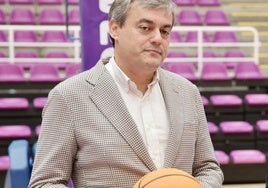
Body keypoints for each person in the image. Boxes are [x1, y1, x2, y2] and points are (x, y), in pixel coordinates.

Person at [29, 0, 224, 187]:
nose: (157, 38)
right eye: (145, 28)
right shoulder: (69, 96)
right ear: (115, 29)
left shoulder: (187, 92)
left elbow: (208, 168)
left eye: (165, 31)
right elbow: (45, 182)